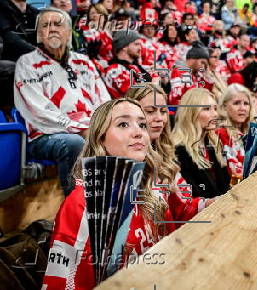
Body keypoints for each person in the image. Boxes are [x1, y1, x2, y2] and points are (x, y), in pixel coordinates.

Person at [42, 98, 213, 289]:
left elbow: (183, 213)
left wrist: (212, 204)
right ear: (101, 139)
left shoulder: (154, 181)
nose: (138, 132)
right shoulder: (84, 205)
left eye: (142, 124)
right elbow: (61, 284)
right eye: (123, 124)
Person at [14, 7, 111, 195]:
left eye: (57, 24)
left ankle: (123, 203)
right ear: (39, 35)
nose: (51, 29)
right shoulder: (27, 64)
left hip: (89, 129)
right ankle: (76, 208)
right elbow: (39, 112)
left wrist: (102, 125)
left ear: (68, 33)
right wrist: (82, 129)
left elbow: (103, 99)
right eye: (45, 25)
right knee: (74, 142)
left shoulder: (83, 62)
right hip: (46, 135)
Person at [172, 88, 230, 198]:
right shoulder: (179, 152)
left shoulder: (213, 144)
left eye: (215, 108)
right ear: (191, 114)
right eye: (206, 109)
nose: (215, 114)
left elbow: (224, 186)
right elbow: (192, 198)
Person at [216, 84, 254, 184]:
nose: (243, 108)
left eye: (246, 104)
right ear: (224, 107)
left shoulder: (252, 134)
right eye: (236, 103)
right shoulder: (221, 134)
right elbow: (233, 176)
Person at [104, 30, 152, 99]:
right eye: (136, 44)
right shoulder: (115, 69)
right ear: (124, 47)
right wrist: (154, 83)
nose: (140, 48)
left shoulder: (136, 67)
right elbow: (135, 94)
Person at [169, 41, 214, 106]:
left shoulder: (198, 75)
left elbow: (207, 94)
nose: (203, 67)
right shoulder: (178, 71)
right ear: (193, 59)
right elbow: (175, 99)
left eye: (205, 64)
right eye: (202, 62)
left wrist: (207, 77)